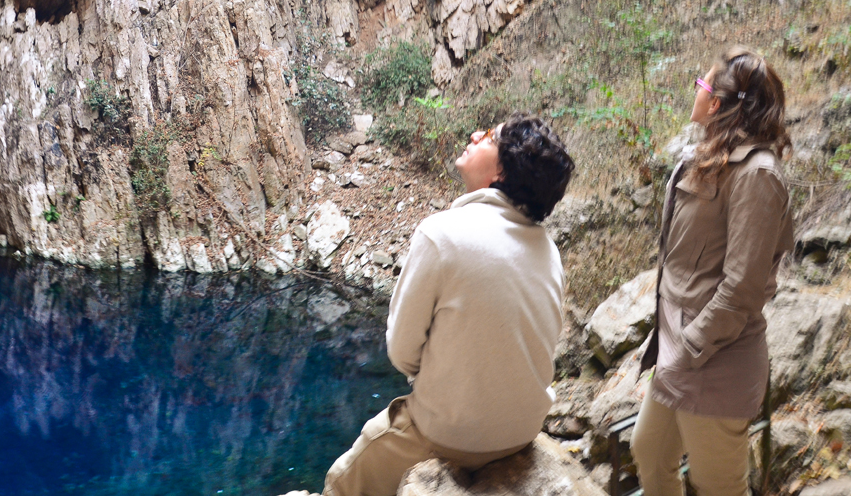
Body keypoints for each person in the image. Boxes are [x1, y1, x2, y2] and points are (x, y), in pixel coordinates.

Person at [322, 112, 575, 496]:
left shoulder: (442, 235)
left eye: (490, 137)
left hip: (451, 434)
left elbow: (402, 352)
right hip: (522, 431)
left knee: (342, 480)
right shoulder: (549, 251)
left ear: (502, 173)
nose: (475, 134)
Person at [631, 47, 794, 496]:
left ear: (718, 102)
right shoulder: (709, 155)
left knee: (718, 486)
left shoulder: (757, 175)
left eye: (702, 85)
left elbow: (741, 289)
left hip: (714, 362)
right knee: (649, 452)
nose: (697, 91)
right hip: (679, 353)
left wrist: (687, 348)